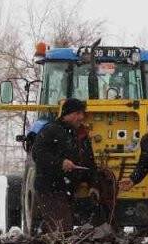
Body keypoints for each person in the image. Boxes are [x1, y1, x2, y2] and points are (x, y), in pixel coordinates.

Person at [30, 97, 99, 232]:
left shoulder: (80, 135)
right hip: (50, 189)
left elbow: (89, 162)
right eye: (78, 113)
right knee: (62, 229)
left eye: (82, 114)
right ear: (67, 114)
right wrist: (60, 163)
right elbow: (38, 154)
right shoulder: (51, 130)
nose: (81, 117)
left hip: (66, 189)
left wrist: (94, 184)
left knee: (58, 228)